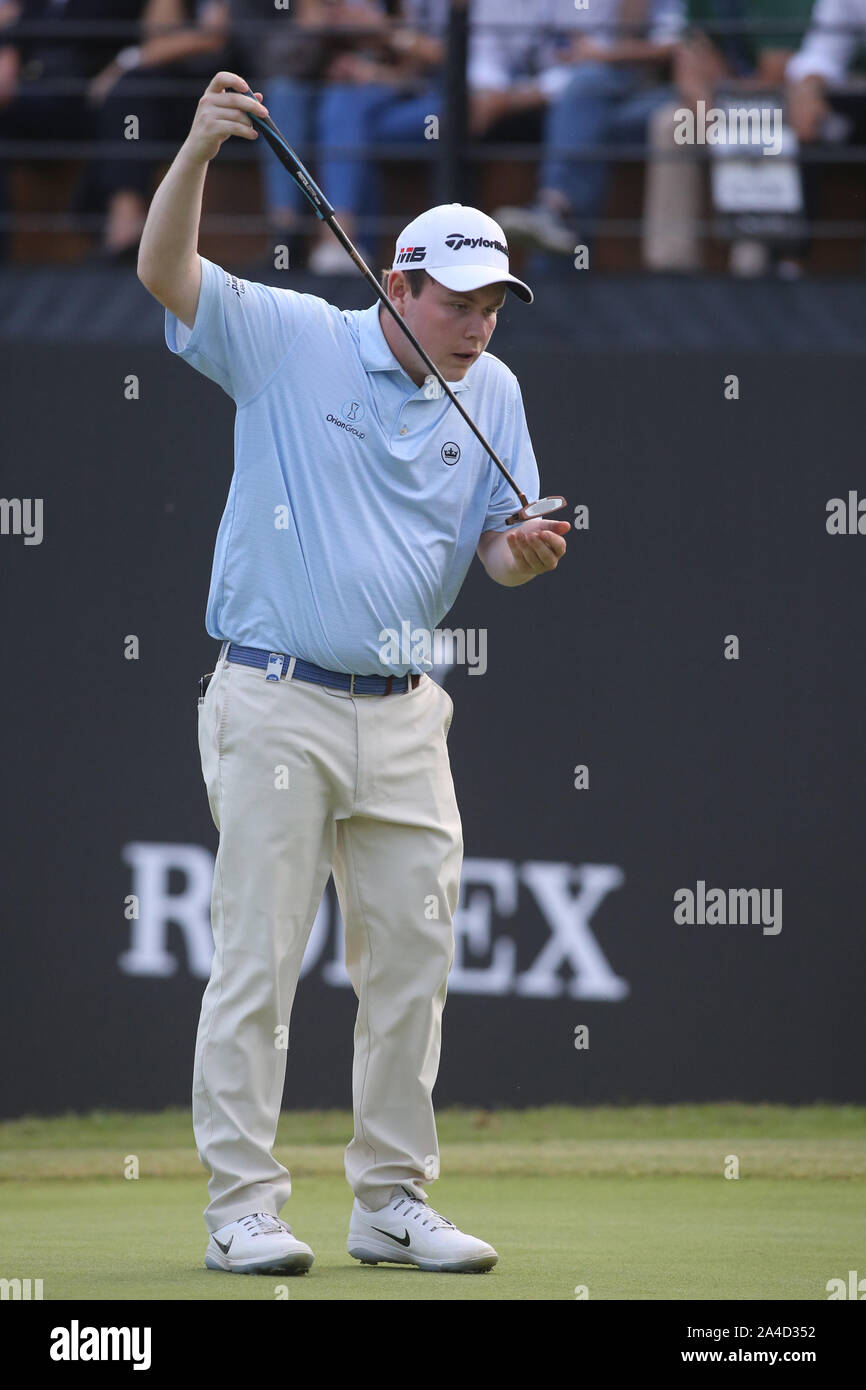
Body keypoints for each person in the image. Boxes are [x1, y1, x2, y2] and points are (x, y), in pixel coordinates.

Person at [136, 69, 570, 1276]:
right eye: (461, 301)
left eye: (495, 302)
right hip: (274, 696)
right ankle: (241, 1209)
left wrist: (523, 557)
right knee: (259, 961)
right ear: (399, 283)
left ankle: (388, 1199)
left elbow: (497, 546)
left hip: (404, 716)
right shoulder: (288, 340)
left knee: (415, 960)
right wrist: (201, 151)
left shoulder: (493, 390)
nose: (480, 323)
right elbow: (164, 274)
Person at [493, 0, 685, 260]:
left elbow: (678, 48)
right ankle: (557, 219)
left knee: (585, 104)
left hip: (661, 95)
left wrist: (604, 55)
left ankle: (553, 212)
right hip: (597, 97)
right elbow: (555, 53)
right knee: (588, 120)